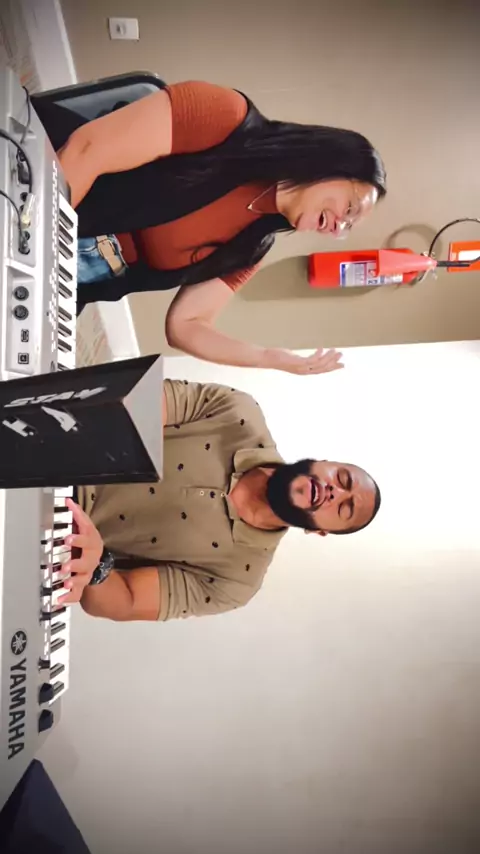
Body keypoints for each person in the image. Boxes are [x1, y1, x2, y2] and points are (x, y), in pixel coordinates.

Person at [35, 81, 387, 376]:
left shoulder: (250, 250)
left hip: (60, 280)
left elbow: (186, 326)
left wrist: (270, 358)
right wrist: (38, 240)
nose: (340, 226)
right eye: (350, 208)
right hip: (37, 194)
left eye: (348, 226)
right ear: (330, 163)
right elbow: (88, 149)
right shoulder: (225, 116)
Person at [57, 379, 381, 622]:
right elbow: (130, 403)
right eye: (342, 478)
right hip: (56, 441)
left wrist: (96, 567)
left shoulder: (237, 581)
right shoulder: (237, 411)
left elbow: (125, 601)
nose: (335, 492)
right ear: (325, 462)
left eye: (344, 507)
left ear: (320, 531)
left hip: (55, 537)